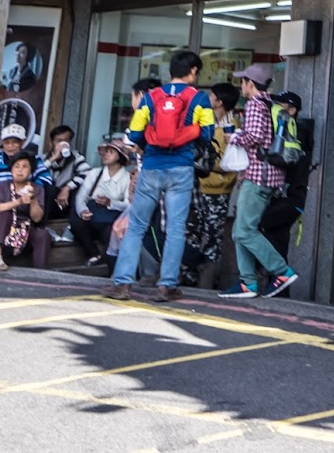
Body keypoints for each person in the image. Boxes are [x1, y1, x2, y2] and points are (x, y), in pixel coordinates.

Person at [107, 48, 216, 303]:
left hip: (153, 167)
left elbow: (134, 134)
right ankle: (167, 285)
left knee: (136, 226)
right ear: (193, 72)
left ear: (170, 72)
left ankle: (122, 283)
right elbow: (208, 134)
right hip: (181, 168)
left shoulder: (151, 97)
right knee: (176, 228)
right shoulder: (199, 98)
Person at [220, 64, 301, 299]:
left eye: (242, 81)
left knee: (245, 230)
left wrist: (234, 137)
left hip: (258, 176)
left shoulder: (255, 104)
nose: (241, 86)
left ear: (250, 83)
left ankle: (281, 271)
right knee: (240, 230)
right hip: (271, 176)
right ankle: (248, 282)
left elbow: (254, 136)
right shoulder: (273, 104)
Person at [0, 120, 53, 267]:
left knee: (48, 191)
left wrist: (33, 193)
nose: (11, 146)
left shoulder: (34, 161)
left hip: (25, 212)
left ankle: (40, 270)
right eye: (7, 142)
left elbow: (45, 179)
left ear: (23, 143)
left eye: (15, 142)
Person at [187, 82, 242, 286]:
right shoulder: (204, 121)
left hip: (218, 190)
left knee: (212, 236)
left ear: (219, 101)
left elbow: (229, 161)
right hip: (198, 187)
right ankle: (190, 277)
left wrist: (204, 163)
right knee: (192, 233)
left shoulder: (232, 127)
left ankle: (207, 281)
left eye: (211, 96)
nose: (208, 99)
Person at [258, 91, 313, 262]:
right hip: (284, 198)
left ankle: (258, 276)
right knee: (278, 245)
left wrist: (262, 155)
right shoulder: (289, 133)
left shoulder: (298, 135)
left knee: (248, 226)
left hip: (290, 200)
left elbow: (283, 160)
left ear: (292, 111)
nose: (275, 110)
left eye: (280, 106)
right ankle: (278, 282)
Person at [70, 135, 135, 267]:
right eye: (105, 152)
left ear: (120, 157)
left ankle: (114, 270)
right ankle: (94, 254)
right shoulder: (94, 173)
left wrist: (110, 203)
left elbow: (129, 205)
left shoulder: (127, 178)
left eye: (111, 152)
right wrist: (83, 210)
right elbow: (81, 196)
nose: (106, 155)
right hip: (93, 213)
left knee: (110, 234)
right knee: (77, 224)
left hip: (110, 218)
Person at [0, 151, 47, 268]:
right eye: (16, 166)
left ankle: (40, 271)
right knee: (5, 214)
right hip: (1, 230)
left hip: (24, 231)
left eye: (25, 167)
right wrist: (18, 202)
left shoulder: (37, 189)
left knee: (43, 234)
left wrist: (33, 199)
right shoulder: (2, 186)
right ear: (11, 169)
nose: (20, 170)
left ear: (31, 170)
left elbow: (37, 218)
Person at [44, 125, 89, 218]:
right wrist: (54, 158)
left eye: (66, 140)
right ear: (52, 142)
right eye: (59, 141)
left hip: (66, 198)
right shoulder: (44, 158)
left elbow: (87, 173)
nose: (63, 144)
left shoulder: (76, 157)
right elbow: (35, 173)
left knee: (78, 191)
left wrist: (67, 188)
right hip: (47, 198)